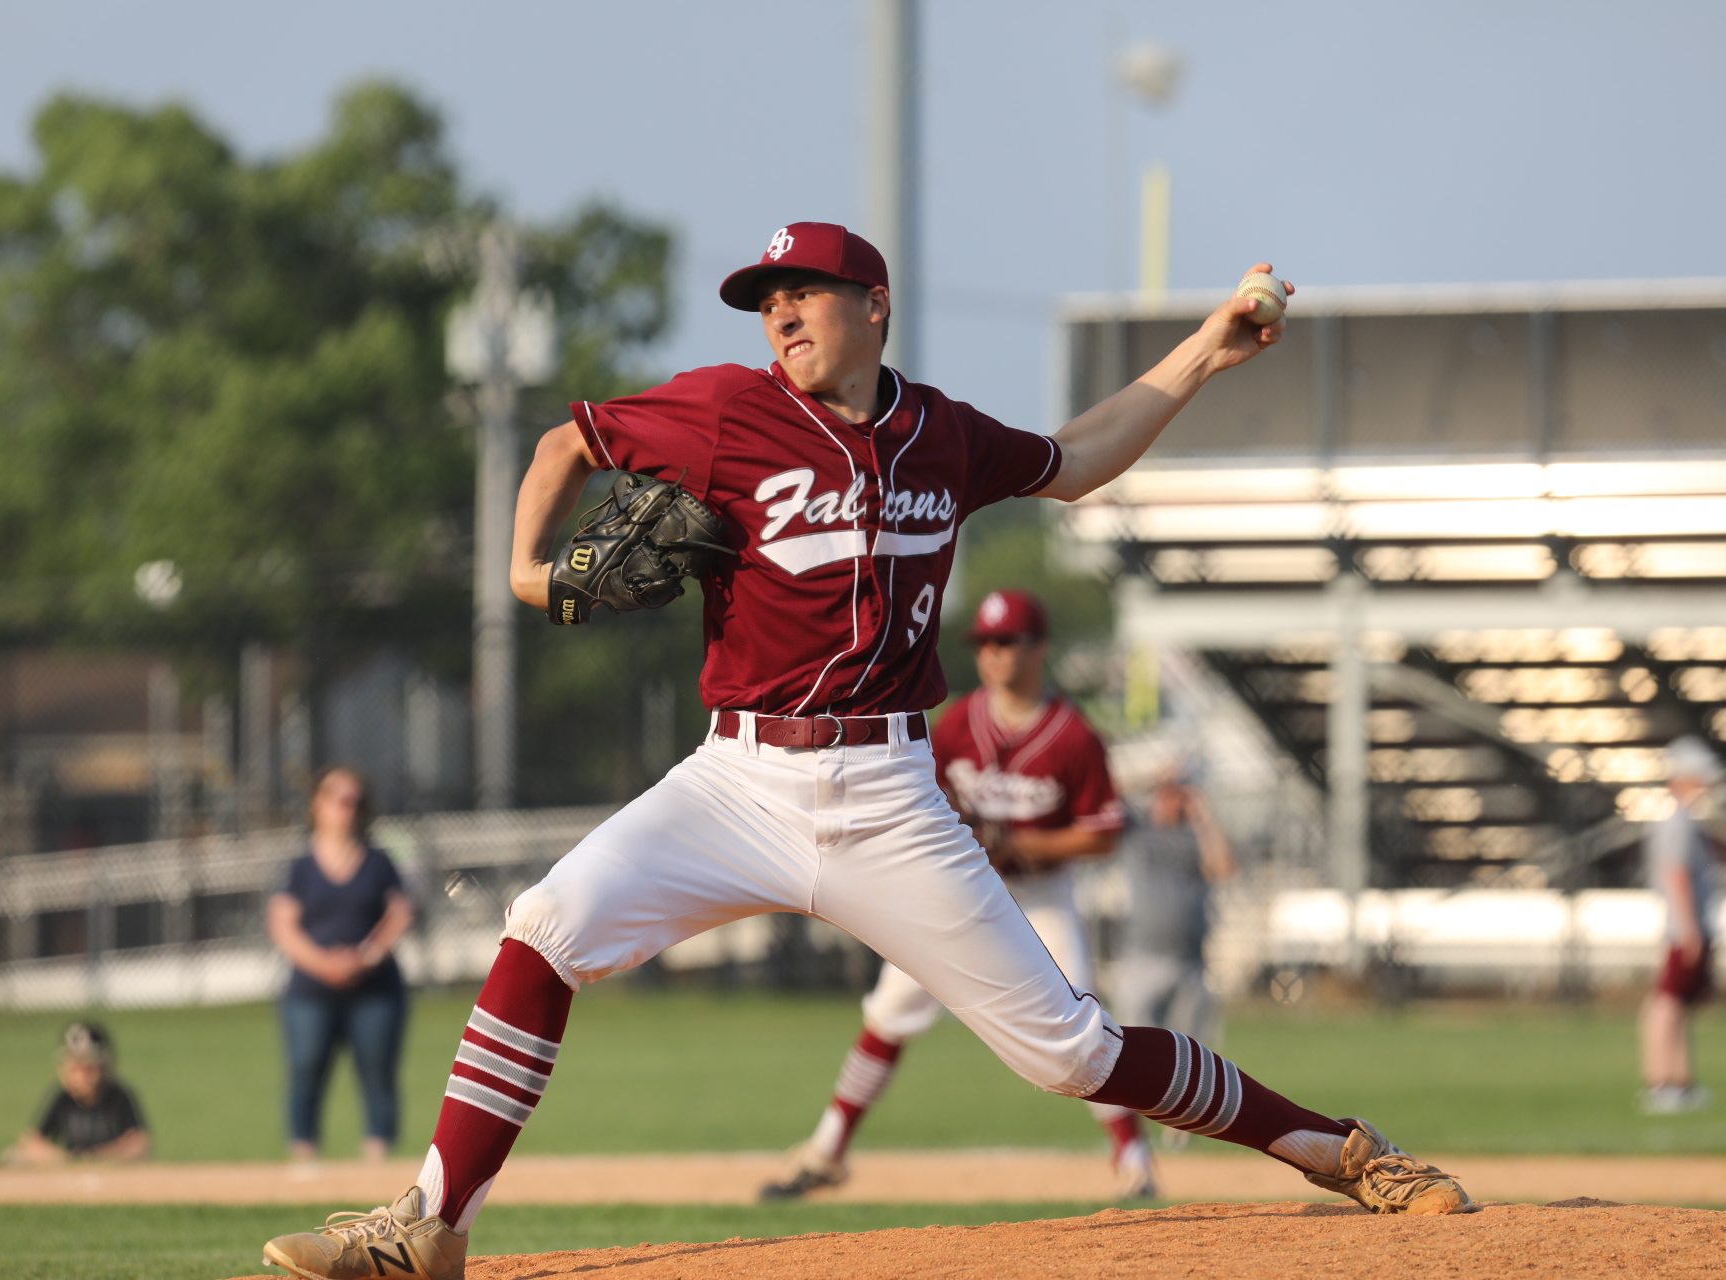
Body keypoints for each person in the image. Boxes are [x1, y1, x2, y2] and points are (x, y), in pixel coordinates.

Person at [261, 222, 1471, 1280]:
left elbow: (1077, 458)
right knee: (546, 928)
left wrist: (1206, 348)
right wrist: (528, 576)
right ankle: (429, 1224)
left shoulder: (940, 432)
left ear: (873, 305)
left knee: (1072, 1052)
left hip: (890, 790)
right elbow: (562, 445)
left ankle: (1338, 1148)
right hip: (736, 779)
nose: (779, 310)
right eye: (764, 297)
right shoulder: (726, 408)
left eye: (802, 290)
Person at [759, 588, 1148, 1201]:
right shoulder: (961, 720)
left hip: (1040, 895)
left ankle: (1134, 1159)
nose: (993, 654)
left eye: (1007, 642)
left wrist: (1024, 846)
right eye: (985, 644)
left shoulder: (1072, 735)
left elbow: (1103, 835)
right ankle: (827, 1149)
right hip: (955, 891)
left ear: (1038, 649)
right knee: (889, 1011)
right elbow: (918, 798)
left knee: (1081, 1022)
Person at [267, 765, 414, 1163]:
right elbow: (283, 924)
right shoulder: (299, 866)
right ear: (318, 804)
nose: (346, 809)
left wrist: (364, 957)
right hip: (311, 990)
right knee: (306, 1070)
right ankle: (303, 1153)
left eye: (354, 801)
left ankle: (376, 1155)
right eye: (337, 799)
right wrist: (323, 963)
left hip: (375, 987)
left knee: (378, 1073)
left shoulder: (379, 861)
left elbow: (399, 914)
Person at [1115, 763, 1237, 1152]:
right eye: (1167, 794)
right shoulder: (1138, 833)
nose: (1172, 801)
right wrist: (1152, 776)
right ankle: (1134, 1135)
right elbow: (1108, 790)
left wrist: (1203, 813)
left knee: (1193, 1052)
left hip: (1189, 961)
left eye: (1178, 794)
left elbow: (1223, 867)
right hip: (1142, 958)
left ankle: (1180, 1126)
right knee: (1128, 1048)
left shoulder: (1195, 837)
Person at [1639, 735, 1721, 1115]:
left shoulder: (1683, 819)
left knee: (1678, 1004)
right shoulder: (1679, 822)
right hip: (1682, 927)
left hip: (1684, 925)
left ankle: (1678, 1082)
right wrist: (1689, 928)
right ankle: (1663, 1083)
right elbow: (1676, 875)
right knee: (1667, 1005)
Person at [4, 1021, 150, 1164]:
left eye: (88, 1068)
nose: (82, 1076)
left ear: (104, 1067)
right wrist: (66, 1158)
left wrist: (97, 1157)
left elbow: (139, 1144)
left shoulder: (119, 1096)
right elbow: (32, 1141)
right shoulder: (63, 1098)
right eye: (76, 1068)